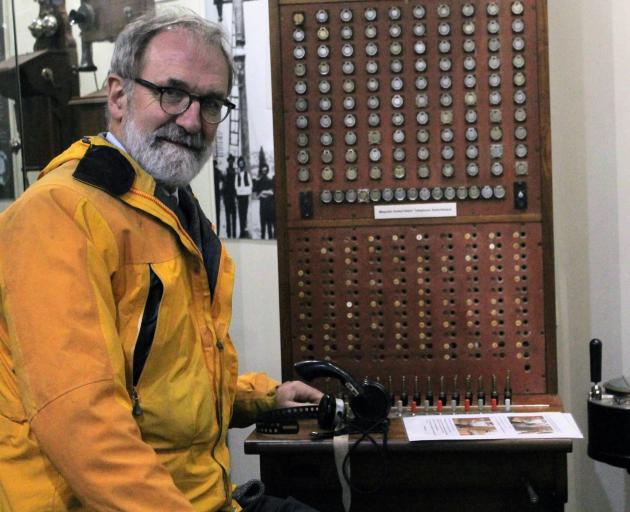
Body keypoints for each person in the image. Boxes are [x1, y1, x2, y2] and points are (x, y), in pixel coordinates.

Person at [0, 9, 322, 512]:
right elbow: (83, 422)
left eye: (211, 102)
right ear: (118, 95)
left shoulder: (170, 212)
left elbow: (166, 384)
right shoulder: (59, 215)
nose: (192, 120)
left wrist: (265, 397)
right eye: (172, 92)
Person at [253, 163, 275, 239]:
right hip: (262, 205)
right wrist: (261, 194)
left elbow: (272, 192)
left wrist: (263, 192)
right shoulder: (259, 181)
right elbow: (255, 194)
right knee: (262, 225)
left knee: (269, 226)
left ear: (267, 170)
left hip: (269, 205)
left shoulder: (270, 180)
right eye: (263, 170)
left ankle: (271, 239)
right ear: (261, 171)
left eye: (265, 170)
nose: (264, 171)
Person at [235, 155, 252, 238]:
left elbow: (250, 185)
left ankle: (245, 229)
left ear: (243, 165)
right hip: (239, 196)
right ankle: (241, 229)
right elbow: (236, 186)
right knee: (240, 212)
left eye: (242, 163)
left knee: (245, 212)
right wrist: (240, 191)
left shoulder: (247, 174)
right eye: (239, 163)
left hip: (245, 196)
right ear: (238, 165)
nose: (241, 165)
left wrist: (244, 190)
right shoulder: (237, 175)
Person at [223, 153, 238, 238]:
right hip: (227, 196)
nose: (231, 162)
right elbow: (224, 185)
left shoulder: (235, 172)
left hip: (233, 196)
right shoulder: (225, 171)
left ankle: (234, 234)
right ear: (228, 162)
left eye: (232, 161)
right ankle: (229, 234)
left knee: (234, 215)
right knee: (227, 216)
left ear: (233, 162)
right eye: (229, 161)